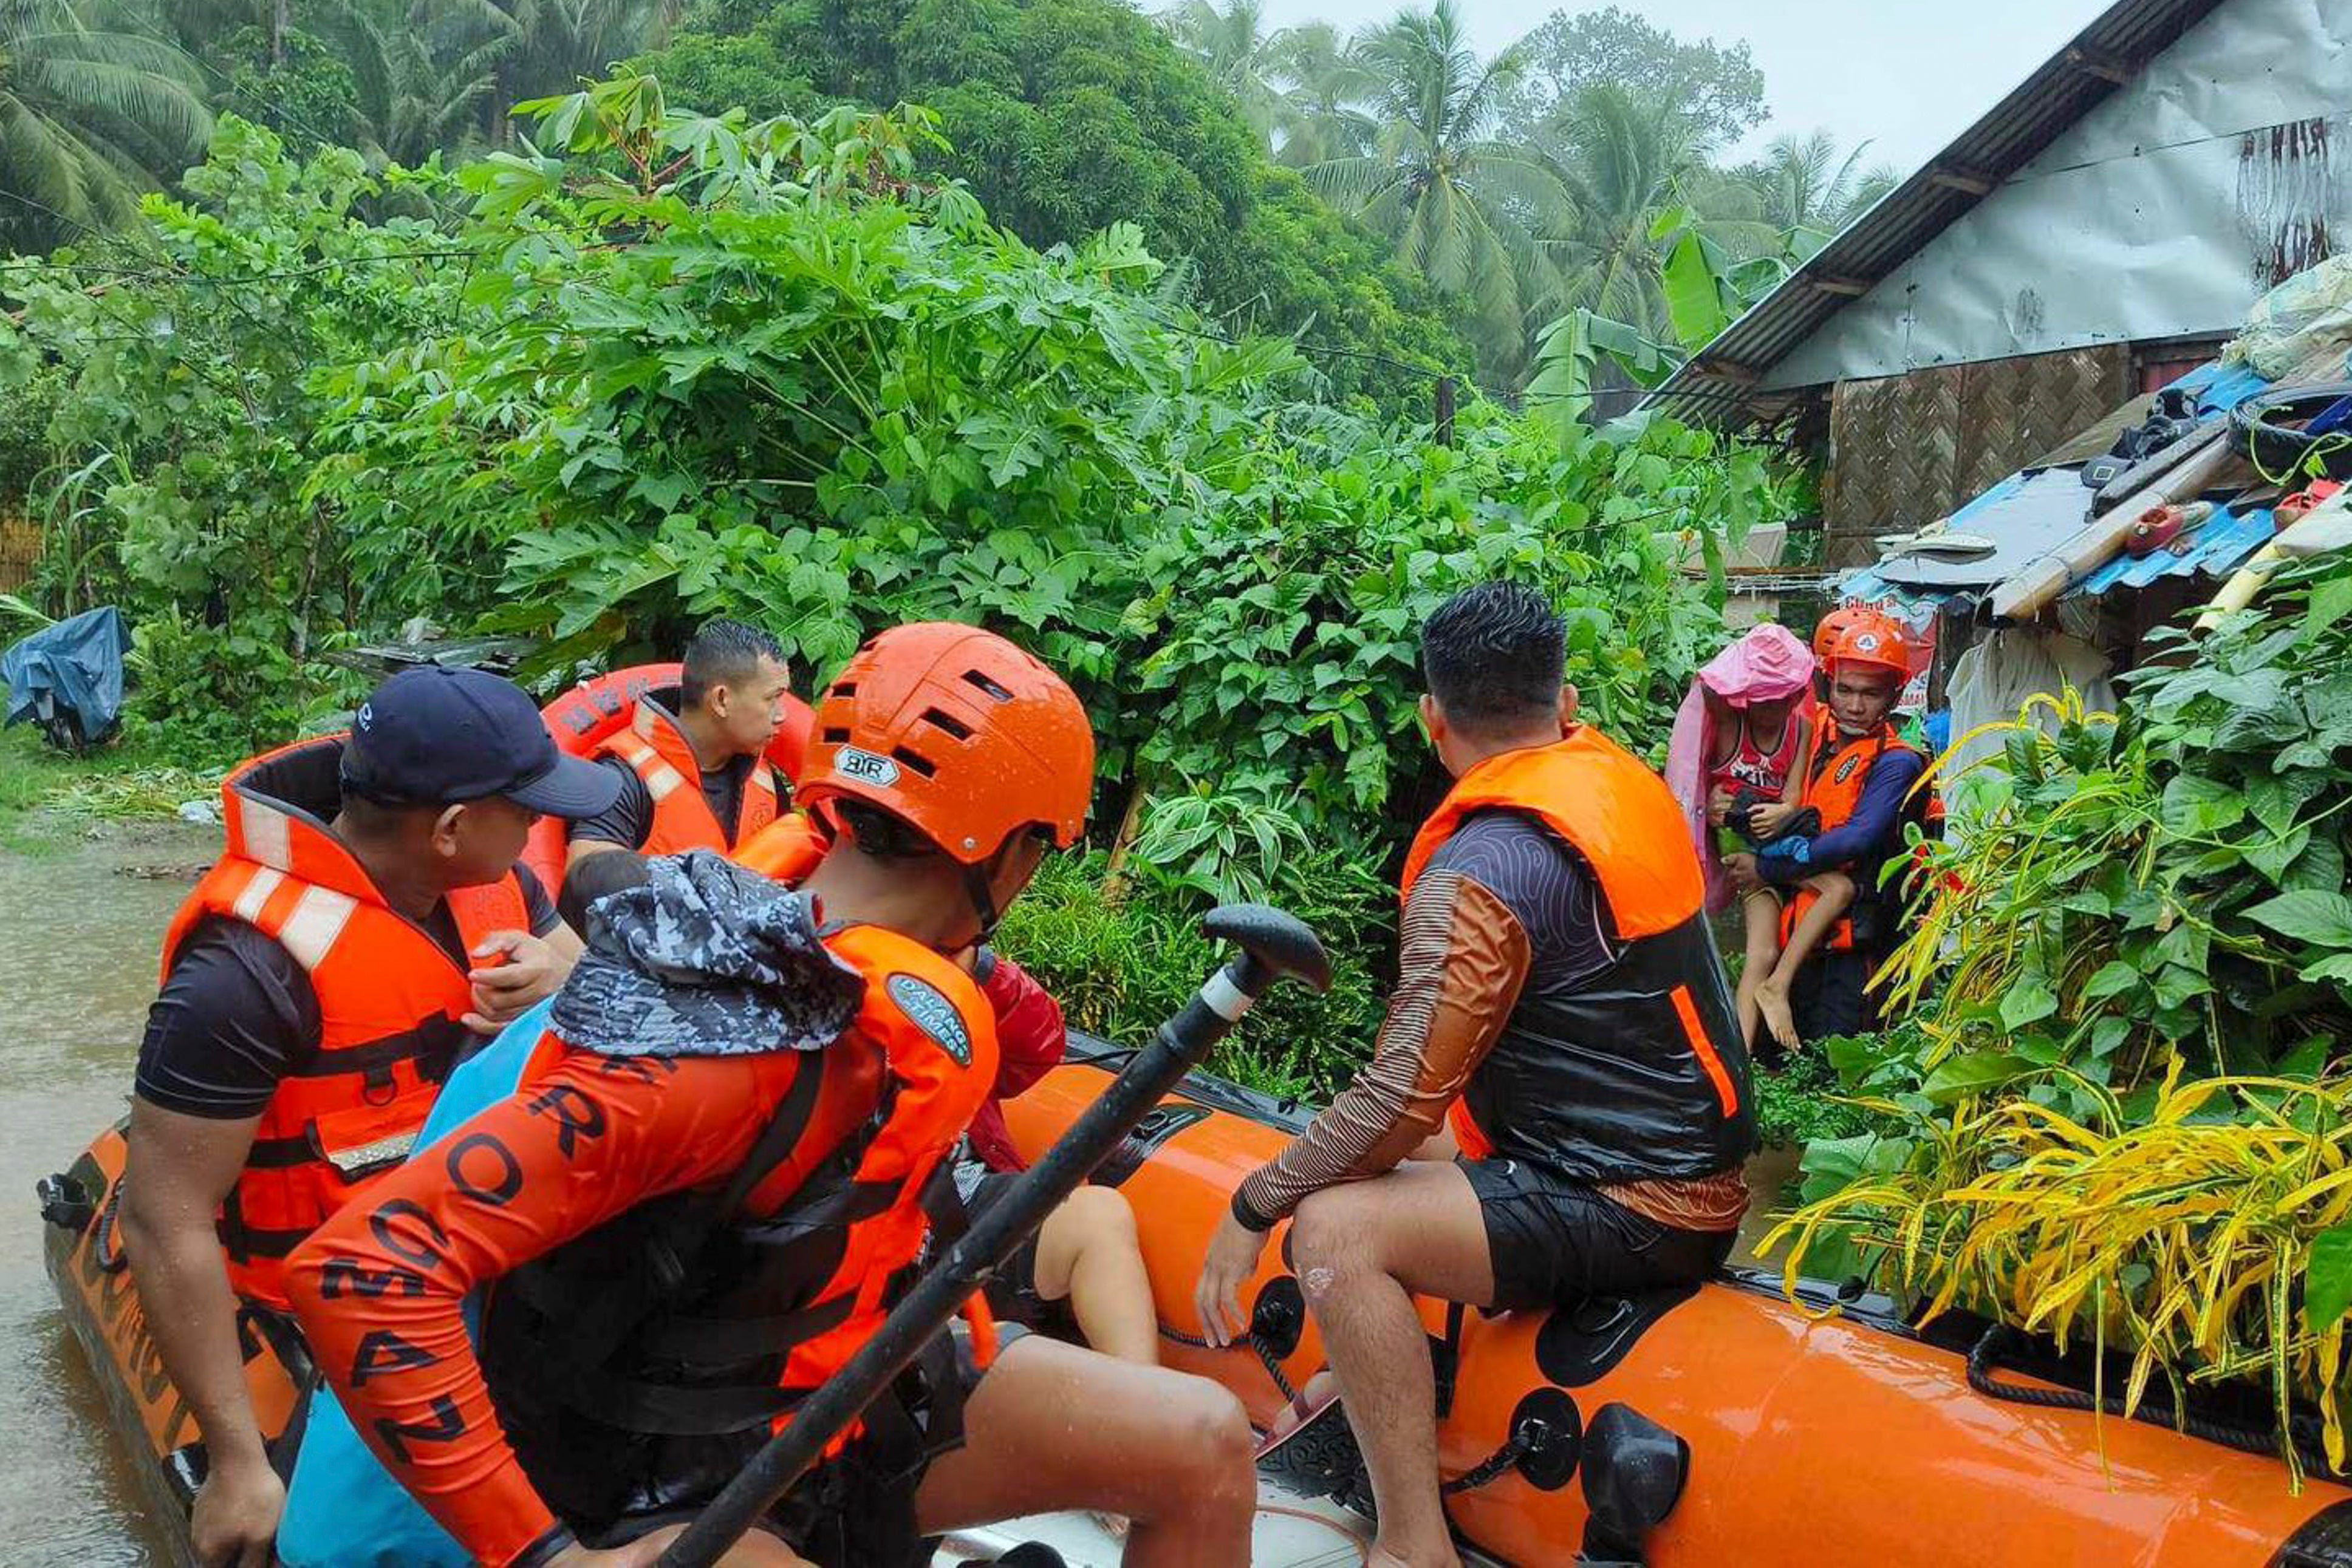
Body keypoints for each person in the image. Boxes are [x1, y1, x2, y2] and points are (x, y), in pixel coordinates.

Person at [285, 624, 1256, 1568]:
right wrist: (542, 1554)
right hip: (658, 1490)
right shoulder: (725, 1051)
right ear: (1013, 857)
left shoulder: (886, 990)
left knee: (1204, 1441)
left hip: (822, 1402)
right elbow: (363, 1268)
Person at [1191, 582, 1754, 1568]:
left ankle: (1413, 1546)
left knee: (1331, 1225)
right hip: (1670, 1163)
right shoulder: (1610, 782)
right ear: (1565, 701)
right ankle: (1404, 1380)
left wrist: (1254, 1204)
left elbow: (1401, 1098)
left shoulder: (1485, 866)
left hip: (1634, 1197)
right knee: (1396, 1164)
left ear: (1431, 718)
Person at [123, 666, 621, 1568]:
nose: (543, 826)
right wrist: (238, 1462)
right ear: (453, 828)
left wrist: (561, 985)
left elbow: (595, 986)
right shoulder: (242, 973)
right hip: (324, 1315)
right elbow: (163, 1216)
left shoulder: (496, 883)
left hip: (488, 1273)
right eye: (529, 807)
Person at [1729, 608, 1929, 1049]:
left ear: (1894, 696)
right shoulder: (1811, 736)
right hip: (1795, 931)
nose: (1855, 705)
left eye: (1871, 694)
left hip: (1851, 949)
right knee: (1774, 1059)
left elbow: (1857, 838)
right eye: (1845, 690)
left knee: (1832, 1064)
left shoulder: (1897, 762)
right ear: (1829, 685)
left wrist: (1768, 867)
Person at [1663, 623, 1819, 1050]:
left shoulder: (1800, 725)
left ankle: (1743, 1053)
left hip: (1778, 841)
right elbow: (1708, 683)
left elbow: (1792, 796)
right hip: (1739, 846)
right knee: (1761, 953)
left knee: (1835, 891)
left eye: (1787, 698)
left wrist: (1782, 811)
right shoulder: (1730, 721)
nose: (1777, 709)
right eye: (1767, 700)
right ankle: (1741, 1057)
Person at [566, 619, 793, 869]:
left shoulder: (765, 781)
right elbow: (586, 884)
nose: (782, 714)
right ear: (721, 700)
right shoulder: (621, 780)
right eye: (773, 698)